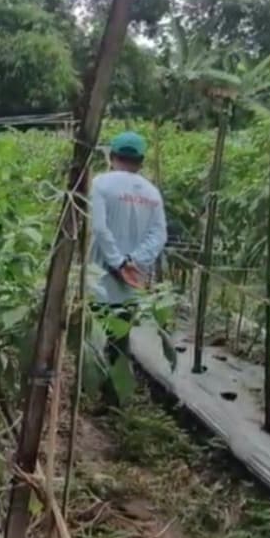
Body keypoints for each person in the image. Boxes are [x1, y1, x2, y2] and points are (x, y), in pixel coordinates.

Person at [89, 130, 167, 408]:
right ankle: (115, 399)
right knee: (120, 338)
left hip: (98, 275)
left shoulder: (101, 183)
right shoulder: (152, 193)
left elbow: (98, 228)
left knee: (92, 335)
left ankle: (94, 396)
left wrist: (117, 261)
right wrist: (133, 261)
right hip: (132, 279)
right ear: (142, 161)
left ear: (112, 157)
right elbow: (159, 236)